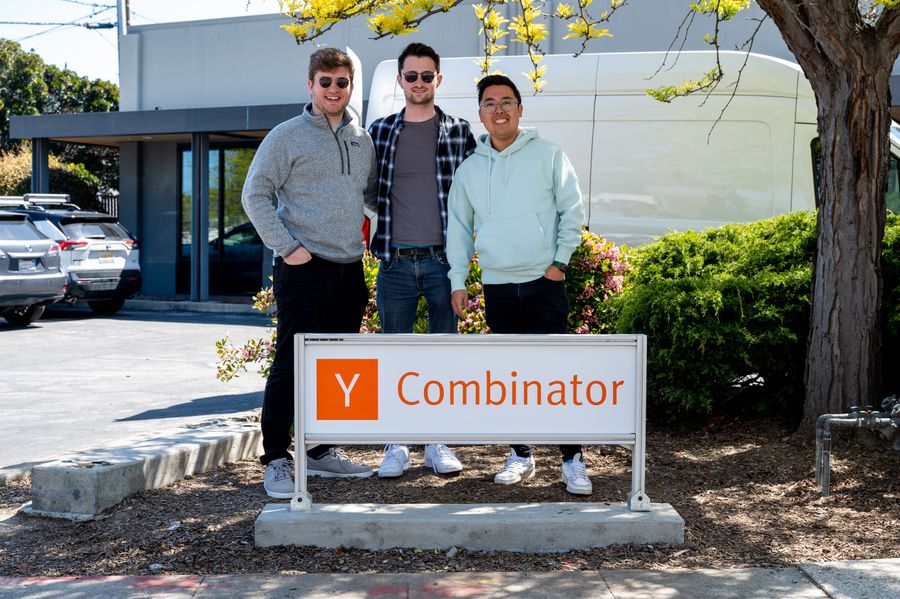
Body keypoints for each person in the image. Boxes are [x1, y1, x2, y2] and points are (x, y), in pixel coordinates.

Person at [445, 74, 592, 495]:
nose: (499, 109)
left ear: (520, 109)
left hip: (543, 281)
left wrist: (560, 262)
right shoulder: (470, 170)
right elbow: (458, 230)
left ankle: (572, 459)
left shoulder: (547, 154)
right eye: (490, 103)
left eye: (507, 101)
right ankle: (522, 455)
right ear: (481, 114)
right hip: (498, 286)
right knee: (511, 377)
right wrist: (459, 281)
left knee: (557, 376)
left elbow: (571, 208)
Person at [241, 47, 377, 499]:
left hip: (349, 269)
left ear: (350, 86)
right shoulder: (286, 136)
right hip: (304, 268)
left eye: (342, 82)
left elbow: (370, 197)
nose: (334, 89)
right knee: (290, 364)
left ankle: (319, 451)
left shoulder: (363, 139)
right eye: (326, 81)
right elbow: (254, 196)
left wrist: (368, 236)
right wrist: (289, 249)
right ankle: (277, 458)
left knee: (335, 368)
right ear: (310, 84)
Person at [368, 43, 477, 478]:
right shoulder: (379, 132)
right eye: (411, 76)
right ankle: (396, 443)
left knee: (441, 357)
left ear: (438, 80)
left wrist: (466, 265)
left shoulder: (459, 132)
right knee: (395, 357)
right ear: (400, 81)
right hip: (394, 262)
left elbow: (473, 200)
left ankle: (437, 442)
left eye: (426, 76)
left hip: (442, 263)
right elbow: (360, 190)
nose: (418, 83)